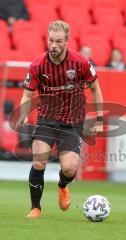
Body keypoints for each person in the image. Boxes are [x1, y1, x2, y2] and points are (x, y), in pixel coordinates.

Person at [16, 20, 103, 219]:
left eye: (58, 41)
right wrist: (23, 112)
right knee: (39, 163)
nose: (53, 45)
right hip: (47, 119)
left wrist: (99, 119)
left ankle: (62, 185)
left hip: (72, 121)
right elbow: (27, 94)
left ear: (67, 41)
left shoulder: (80, 62)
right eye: (51, 40)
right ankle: (35, 208)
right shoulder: (38, 65)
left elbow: (96, 89)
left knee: (69, 168)